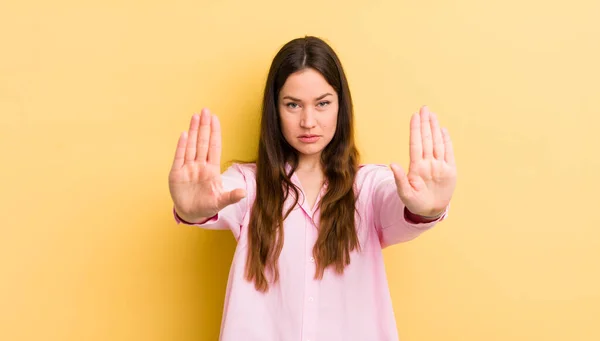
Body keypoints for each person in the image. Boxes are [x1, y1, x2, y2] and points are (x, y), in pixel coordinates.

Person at [168, 36, 457, 341]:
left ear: (340, 107)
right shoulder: (248, 185)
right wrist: (191, 209)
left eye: (322, 104)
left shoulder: (370, 188)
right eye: (293, 104)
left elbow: (400, 206)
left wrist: (428, 209)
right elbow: (217, 194)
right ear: (274, 109)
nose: (308, 121)